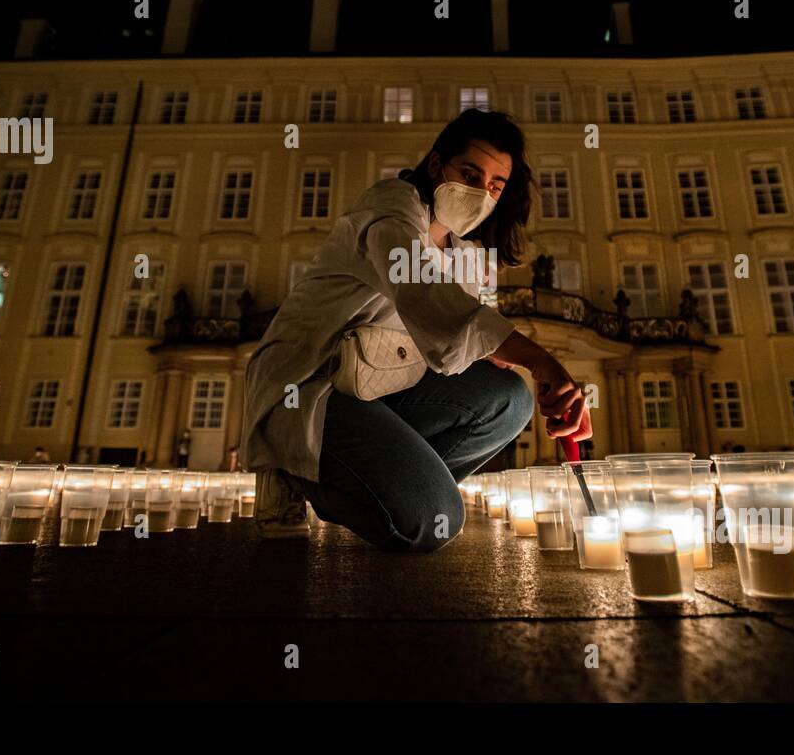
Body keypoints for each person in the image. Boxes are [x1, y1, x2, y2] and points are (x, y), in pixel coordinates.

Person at [241, 109, 592, 550]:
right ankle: (296, 470)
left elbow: (473, 339)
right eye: (469, 173)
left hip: (376, 386)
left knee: (510, 399)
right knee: (433, 521)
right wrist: (543, 362)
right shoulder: (391, 207)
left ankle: (382, 485)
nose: (480, 192)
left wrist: (536, 379)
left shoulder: (468, 254)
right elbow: (426, 295)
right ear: (435, 166)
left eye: (494, 187)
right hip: (313, 384)